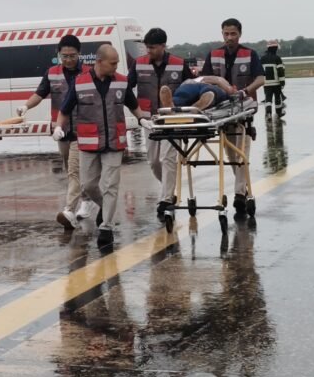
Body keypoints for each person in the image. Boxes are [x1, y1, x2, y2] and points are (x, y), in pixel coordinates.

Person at [56, 44, 150, 246]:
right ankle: (104, 207)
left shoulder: (121, 82)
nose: (116, 66)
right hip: (89, 143)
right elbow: (65, 110)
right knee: (88, 185)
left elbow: (133, 105)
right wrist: (58, 127)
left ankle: (106, 226)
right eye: (113, 63)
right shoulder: (79, 83)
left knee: (110, 186)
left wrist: (142, 119)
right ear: (99, 62)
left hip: (115, 142)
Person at [17, 35, 90, 230]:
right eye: (64, 56)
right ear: (58, 54)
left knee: (75, 170)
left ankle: (69, 210)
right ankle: (86, 197)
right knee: (70, 169)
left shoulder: (88, 73)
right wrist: (25, 106)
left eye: (72, 55)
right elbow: (39, 94)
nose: (68, 60)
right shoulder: (52, 73)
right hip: (60, 130)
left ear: (79, 54)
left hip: (82, 130)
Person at [200, 18, 265, 217]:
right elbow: (205, 79)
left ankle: (238, 194)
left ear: (239, 34)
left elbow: (261, 79)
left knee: (242, 152)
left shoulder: (250, 54)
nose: (229, 37)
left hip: (244, 109)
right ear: (222, 34)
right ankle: (242, 187)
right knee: (231, 154)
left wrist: (246, 91)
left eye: (233, 34)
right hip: (221, 111)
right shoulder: (213, 54)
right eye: (226, 34)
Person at [128, 28, 193, 218]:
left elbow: (191, 88)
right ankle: (167, 186)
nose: (149, 51)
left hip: (172, 120)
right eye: (147, 47)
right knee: (154, 161)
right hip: (150, 121)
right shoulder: (138, 64)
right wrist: (137, 112)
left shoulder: (179, 64)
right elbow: (126, 88)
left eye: (153, 47)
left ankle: (166, 198)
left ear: (163, 46)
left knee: (167, 158)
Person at [158, 75, 239, 110]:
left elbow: (231, 93)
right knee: (184, 92)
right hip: (195, 84)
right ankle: (171, 104)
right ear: (234, 86)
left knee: (210, 90)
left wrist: (218, 82)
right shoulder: (225, 81)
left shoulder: (224, 83)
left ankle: (204, 100)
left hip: (211, 86)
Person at [260, 40, 285, 119]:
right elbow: (280, 71)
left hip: (266, 83)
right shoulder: (277, 58)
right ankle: (279, 113)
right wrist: (282, 82)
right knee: (277, 98)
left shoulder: (262, 58)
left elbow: (260, 71)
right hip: (276, 83)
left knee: (268, 99)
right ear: (275, 48)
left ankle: (268, 113)